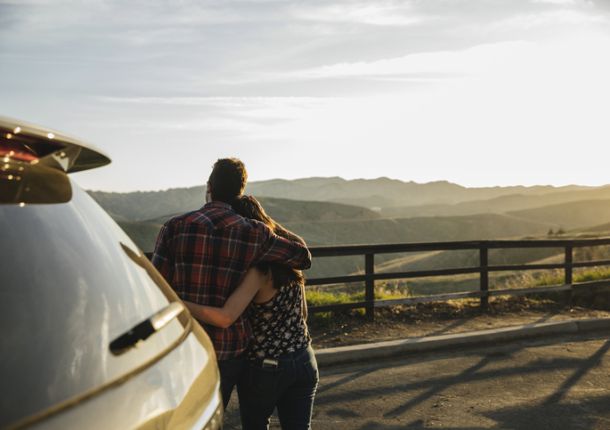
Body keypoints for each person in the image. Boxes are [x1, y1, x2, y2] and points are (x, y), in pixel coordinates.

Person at [151, 158, 312, 411]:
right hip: (230, 350)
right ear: (241, 192)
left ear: (209, 187)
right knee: (214, 416)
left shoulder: (174, 227)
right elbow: (303, 256)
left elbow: (155, 286)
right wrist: (268, 224)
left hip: (185, 343)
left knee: (184, 418)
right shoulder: (256, 233)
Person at [184, 195, 318, 430]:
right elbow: (303, 314)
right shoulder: (291, 265)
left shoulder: (260, 271)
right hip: (304, 358)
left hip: (267, 366)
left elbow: (226, 317)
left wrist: (180, 303)